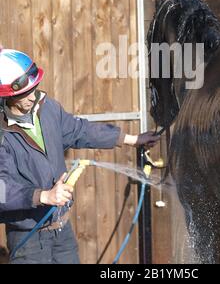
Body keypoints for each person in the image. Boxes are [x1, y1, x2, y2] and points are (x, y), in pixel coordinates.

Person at [0, 48, 160, 264]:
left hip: (61, 231)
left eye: (34, 87)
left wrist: (131, 139)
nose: (32, 96)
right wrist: (43, 196)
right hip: (28, 241)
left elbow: (80, 131)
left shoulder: (47, 109)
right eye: (24, 93)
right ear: (7, 94)